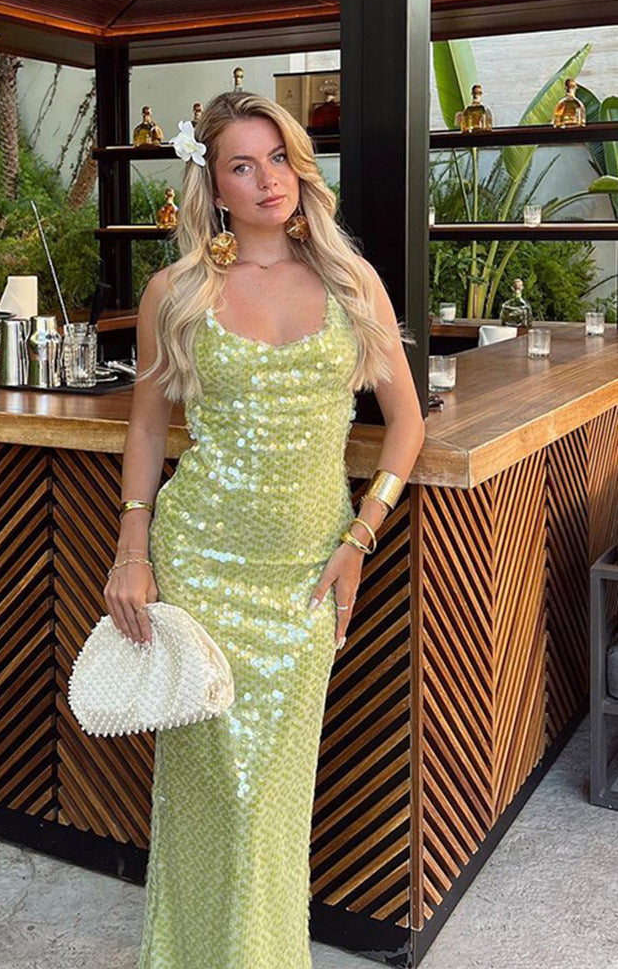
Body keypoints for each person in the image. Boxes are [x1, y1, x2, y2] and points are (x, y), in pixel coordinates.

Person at [104, 89, 425, 969]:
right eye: (242, 166)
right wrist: (132, 553)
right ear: (214, 186)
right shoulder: (176, 292)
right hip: (199, 568)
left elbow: (406, 425)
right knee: (207, 795)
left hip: (304, 580)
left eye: (278, 157)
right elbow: (146, 431)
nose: (268, 179)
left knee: (271, 802)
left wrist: (360, 537)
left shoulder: (352, 283)